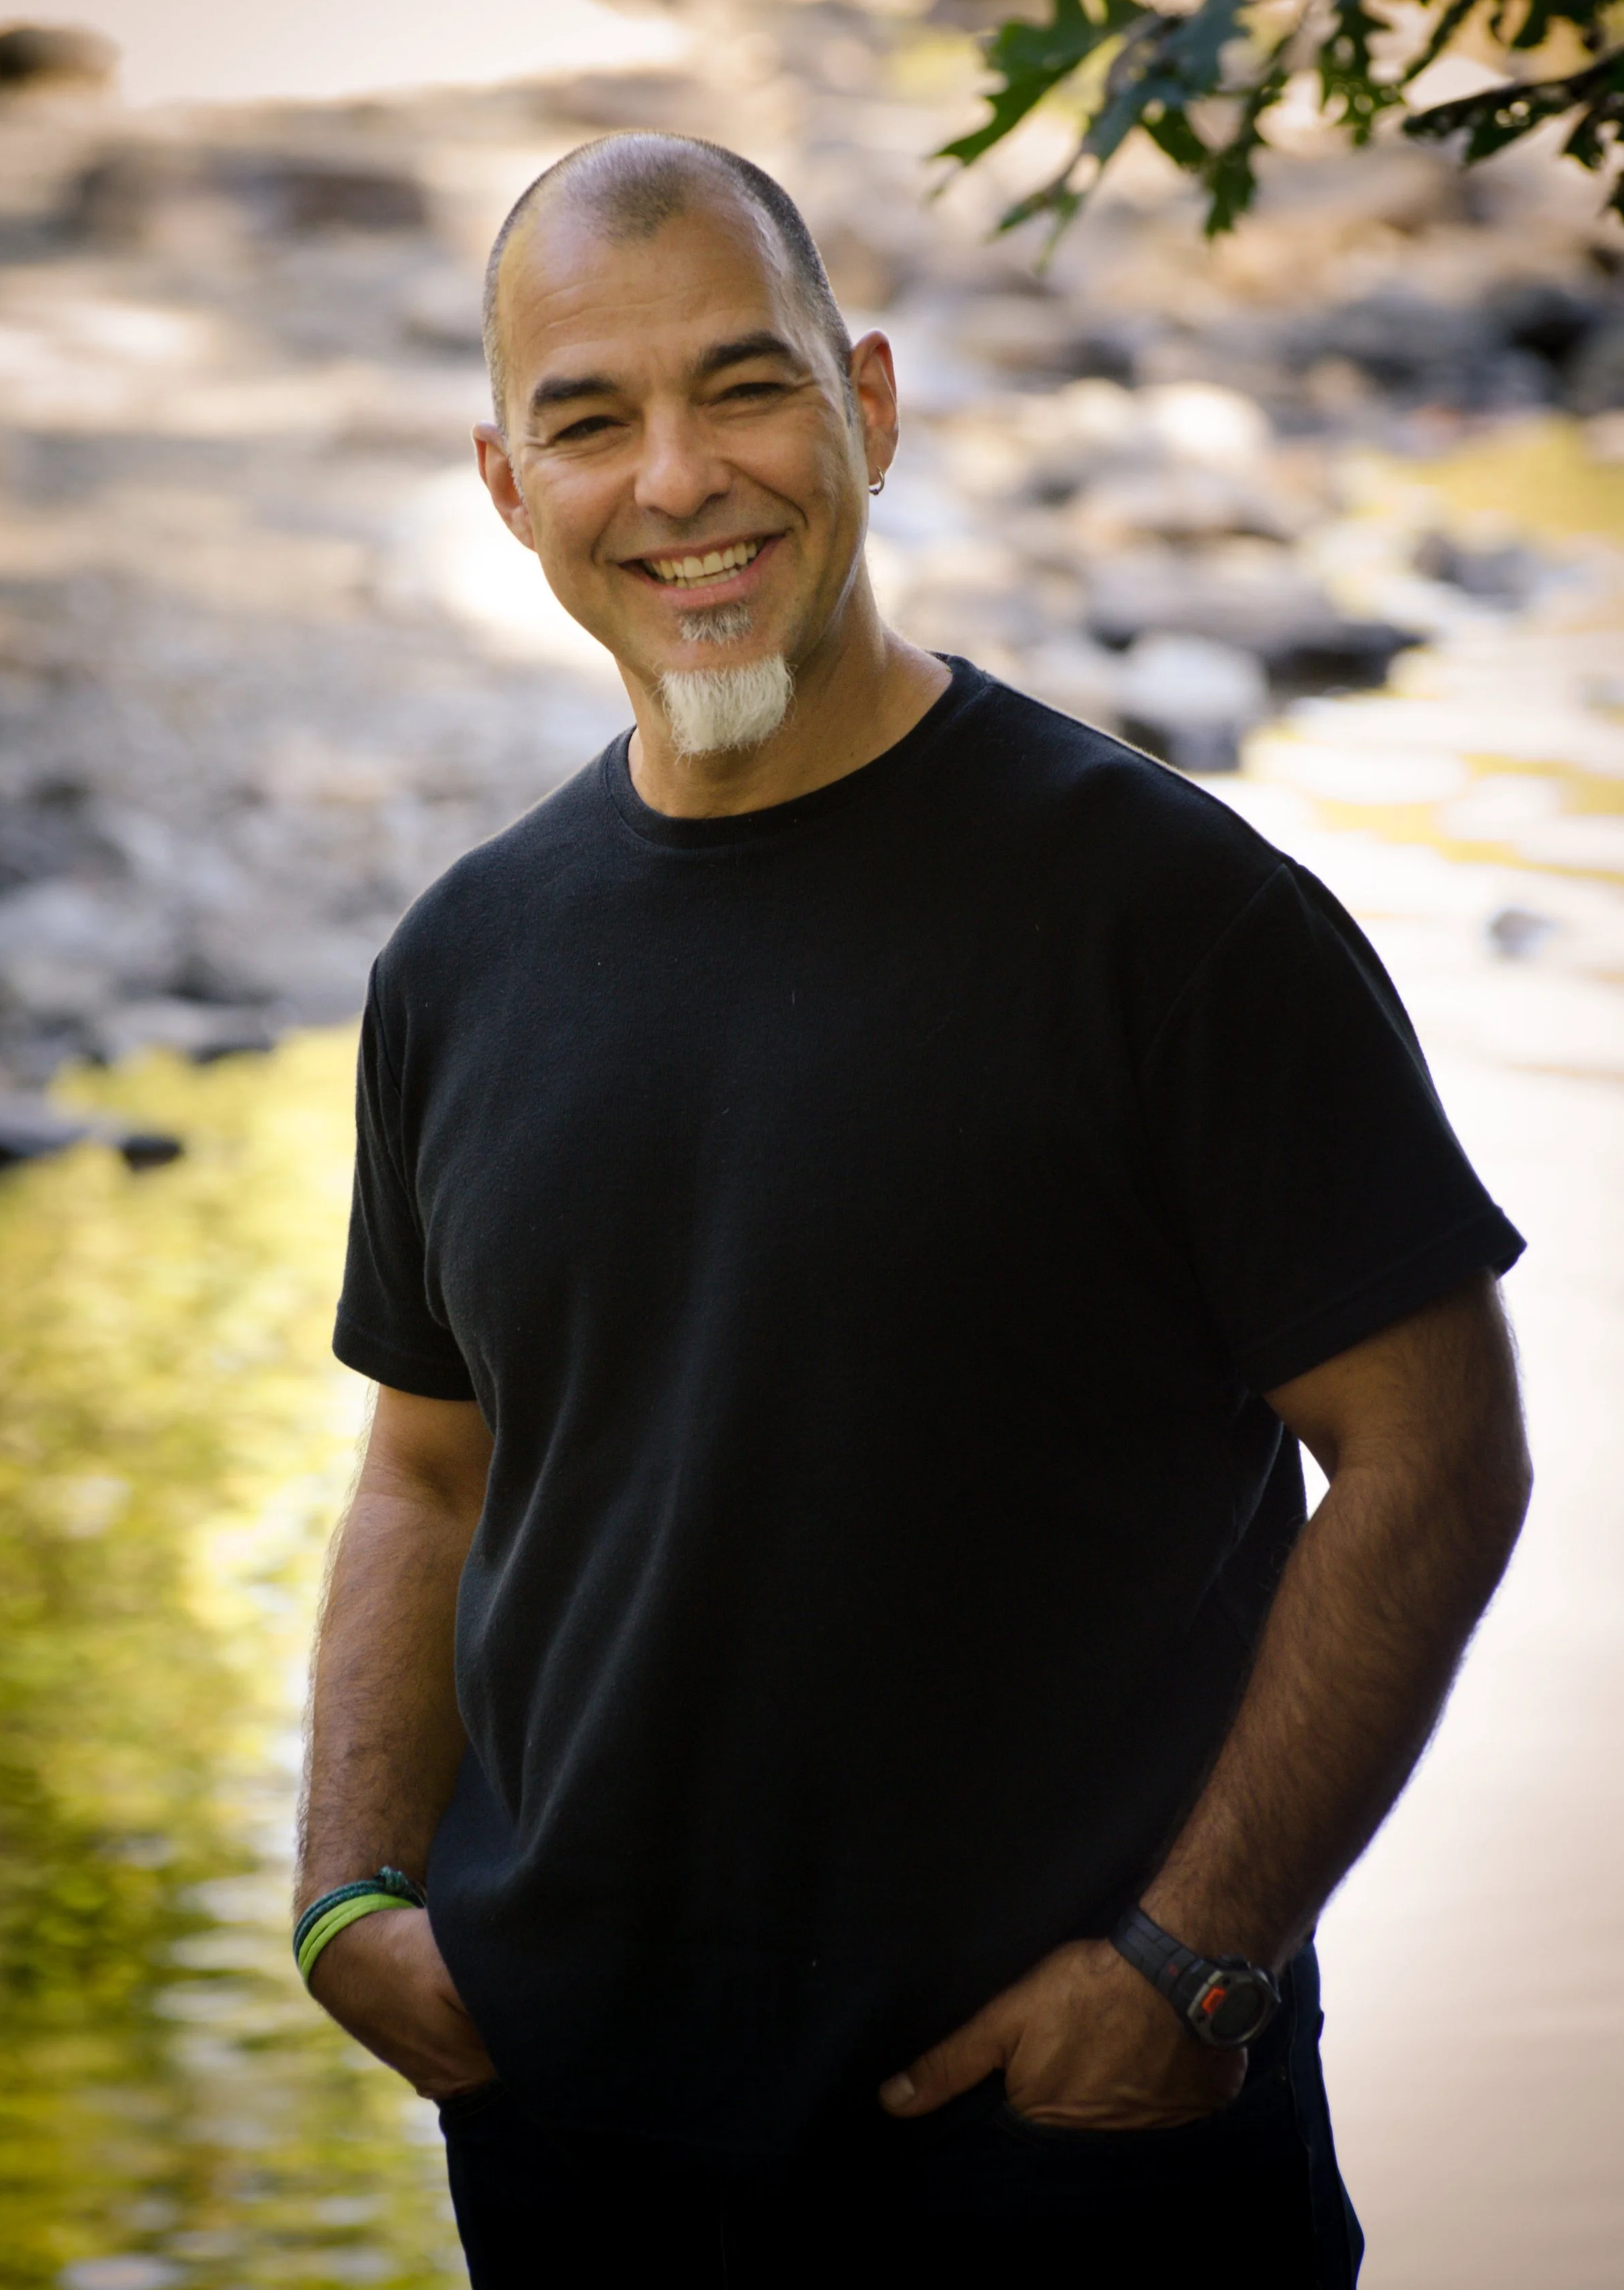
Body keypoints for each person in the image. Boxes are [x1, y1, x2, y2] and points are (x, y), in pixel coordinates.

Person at [294, 132, 1529, 2288]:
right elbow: (426, 1469)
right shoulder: (463, 960)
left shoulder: (1171, 919)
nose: (677, 479)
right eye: (589, 421)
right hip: (580, 2159)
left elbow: (1434, 1452)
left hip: (1074, 2173)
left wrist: (1197, 1960)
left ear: (867, 405)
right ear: (506, 487)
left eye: (742, 386)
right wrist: (346, 1893)